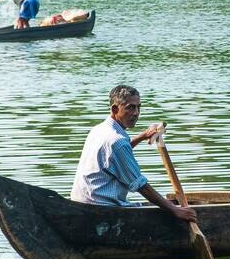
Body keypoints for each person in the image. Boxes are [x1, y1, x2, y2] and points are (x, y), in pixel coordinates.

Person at [70, 84, 197, 223]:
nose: (136, 113)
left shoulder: (99, 130)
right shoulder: (116, 141)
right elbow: (140, 185)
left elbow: (114, 156)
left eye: (138, 107)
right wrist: (175, 210)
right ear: (115, 109)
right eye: (130, 107)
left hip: (81, 205)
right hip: (102, 210)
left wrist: (143, 136)